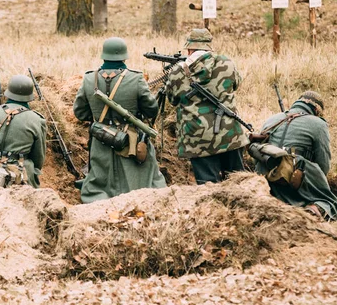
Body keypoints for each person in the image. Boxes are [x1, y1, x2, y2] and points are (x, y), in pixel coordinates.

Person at [73, 37, 167, 203]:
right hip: (130, 140)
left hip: (100, 138)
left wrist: (100, 121)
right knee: (147, 179)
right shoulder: (136, 78)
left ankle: (99, 198)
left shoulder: (89, 79)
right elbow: (152, 110)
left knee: (99, 178)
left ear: (103, 55)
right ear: (124, 56)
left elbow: (80, 112)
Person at [163, 28, 249, 184]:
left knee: (208, 187)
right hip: (230, 134)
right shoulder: (226, 62)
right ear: (209, 46)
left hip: (198, 139)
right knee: (239, 182)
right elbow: (236, 84)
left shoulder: (178, 72)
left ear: (189, 48)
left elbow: (172, 100)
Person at [250, 91, 337, 221]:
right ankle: (312, 211)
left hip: (264, 177)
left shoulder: (273, 119)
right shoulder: (319, 124)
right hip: (293, 177)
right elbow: (323, 165)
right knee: (331, 204)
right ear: (316, 110)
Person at [0, 75, 46, 188]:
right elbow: (38, 159)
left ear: (8, 93)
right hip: (21, 177)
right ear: (30, 97)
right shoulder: (37, 120)